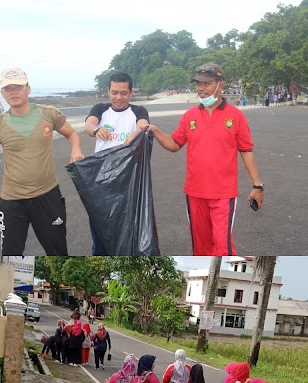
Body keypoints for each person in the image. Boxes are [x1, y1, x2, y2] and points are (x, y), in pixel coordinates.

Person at [146, 63, 264, 256]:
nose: (201, 88)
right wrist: (156, 131)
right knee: (201, 248)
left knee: (223, 248)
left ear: (220, 85)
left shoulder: (235, 116)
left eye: (207, 84)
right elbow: (174, 144)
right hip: (195, 193)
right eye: (198, 84)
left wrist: (257, 186)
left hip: (223, 194)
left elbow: (246, 150)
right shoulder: (189, 116)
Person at [0, 67, 84, 256]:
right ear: (2, 93)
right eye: (8, 88)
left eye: (18, 86)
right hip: (12, 201)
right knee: (10, 256)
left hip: (47, 196)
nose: (13, 92)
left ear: (28, 88)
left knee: (57, 252)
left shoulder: (49, 114)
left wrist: (76, 149)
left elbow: (72, 133)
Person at [84, 72, 149, 255]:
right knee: (99, 223)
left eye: (123, 93)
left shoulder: (138, 111)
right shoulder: (100, 109)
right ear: (108, 91)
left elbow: (143, 125)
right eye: (114, 92)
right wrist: (96, 130)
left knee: (127, 222)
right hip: (101, 178)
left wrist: (136, 133)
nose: (118, 97)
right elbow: (89, 125)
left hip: (127, 178)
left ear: (131, 93)